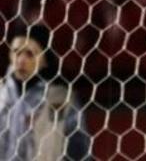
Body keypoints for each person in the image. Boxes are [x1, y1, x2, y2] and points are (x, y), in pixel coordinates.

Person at [0, 24, 91, 161]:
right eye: (16, 52)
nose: (21, 60)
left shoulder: (62, 99)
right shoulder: (2, 95)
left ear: (45, 59)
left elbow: (79, 151)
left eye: (30, 54)